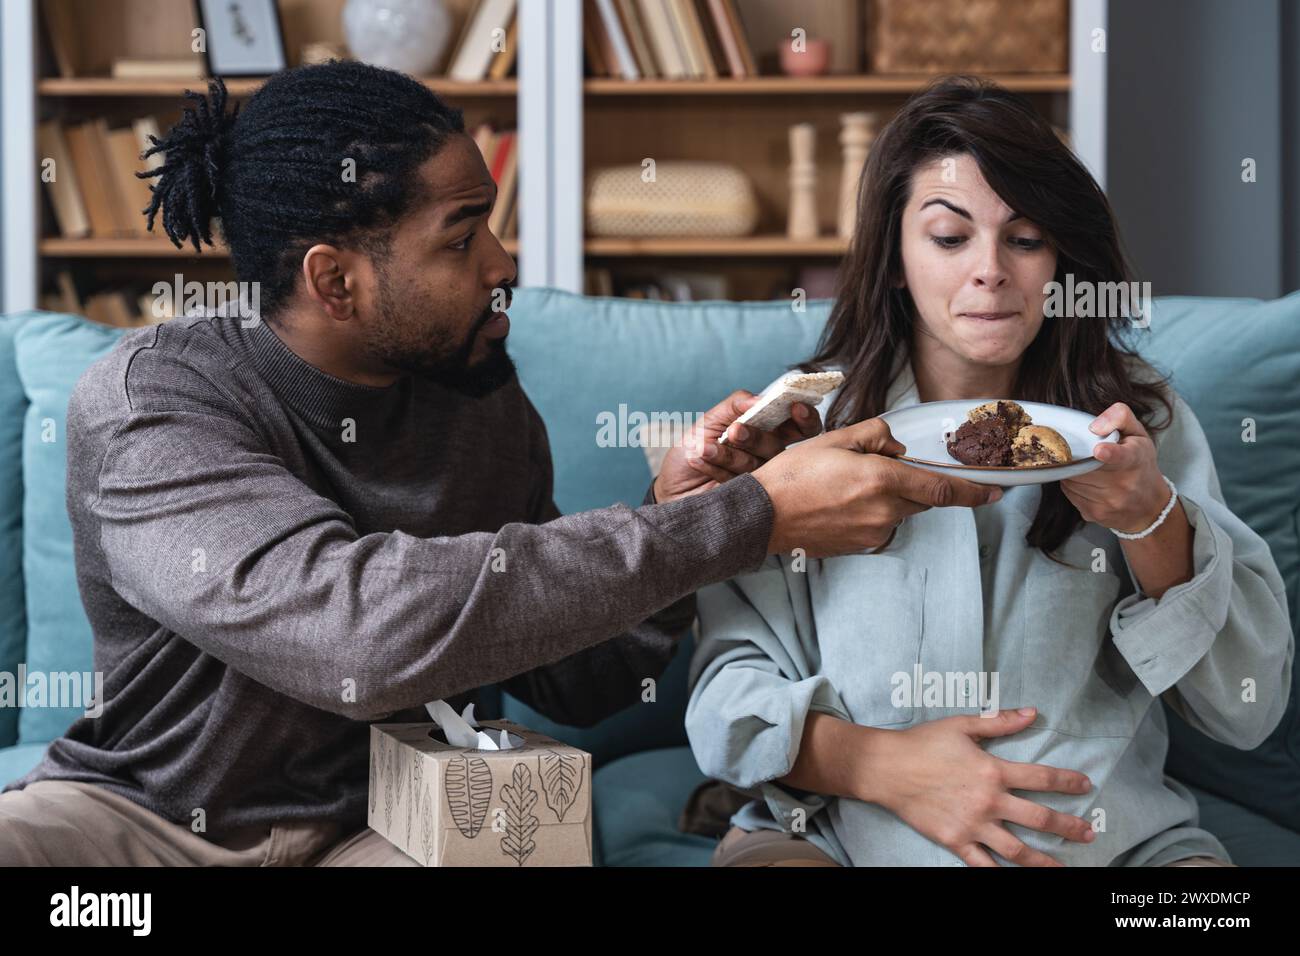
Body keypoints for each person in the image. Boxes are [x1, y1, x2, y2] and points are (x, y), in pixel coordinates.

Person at [0, 62, 1002, 866]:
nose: (505, 263)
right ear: (333, 280)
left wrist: (684, 506)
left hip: (405, 817)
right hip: (146, 825)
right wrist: (748, 518)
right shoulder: (154, 407)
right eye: (461, 236)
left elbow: (575, 682)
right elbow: (356, 634)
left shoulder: (477, 394)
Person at [685, 76, 1294, 868]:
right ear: (897, 259)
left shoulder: (1137, 428)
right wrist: (880, 765)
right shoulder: (804, 432)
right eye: (949, 237)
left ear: (1060, 259)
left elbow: (1249, 708)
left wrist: (1150, 518)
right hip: (834, 838)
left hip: (1118, 851)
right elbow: (725, 701)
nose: (991, 272)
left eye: (1025, 238)